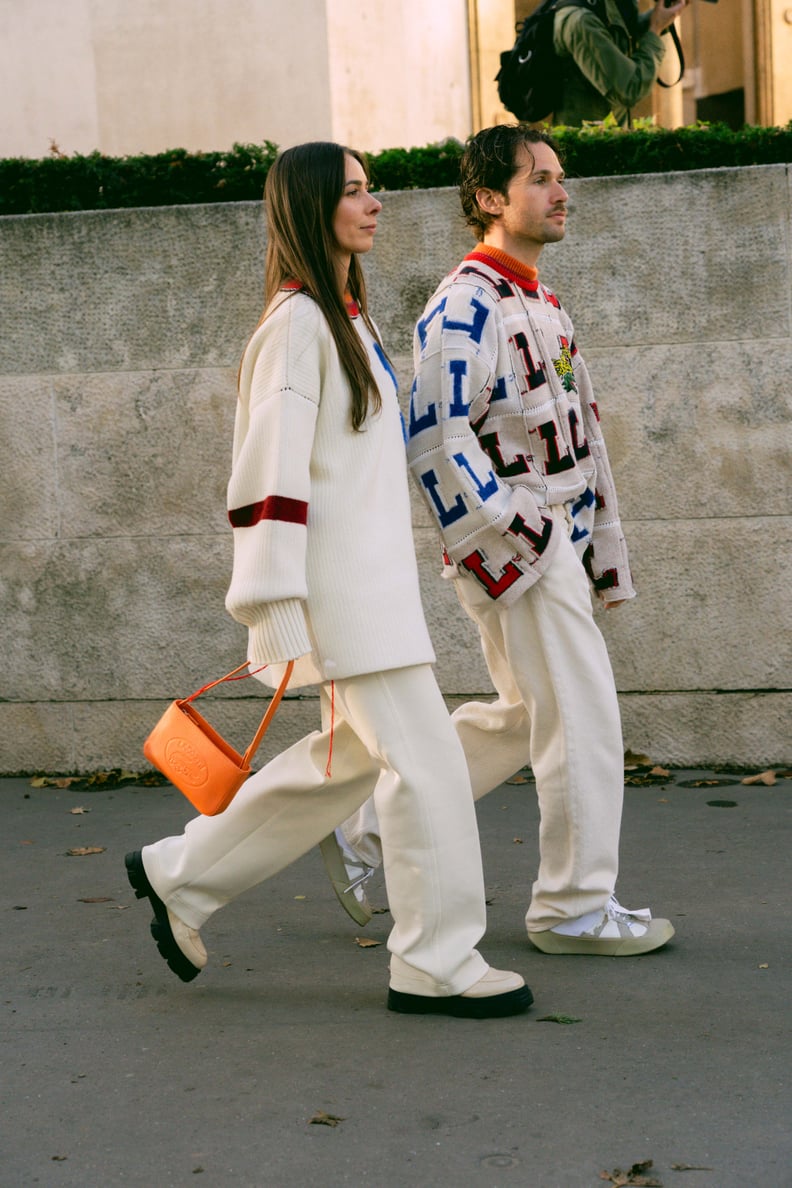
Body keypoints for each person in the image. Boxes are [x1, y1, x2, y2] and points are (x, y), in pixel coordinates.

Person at [125, 140, 532, 1019]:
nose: (373, 202)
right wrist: (269, 605)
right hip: (347, 604)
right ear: (313, 209)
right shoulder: (300, 326)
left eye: (370, 187)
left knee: (344, 766)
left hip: (370, 595)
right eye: (352, 192)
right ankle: (434, 959)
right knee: (424, 769)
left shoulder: (345, 318)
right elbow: (262, 477)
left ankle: (181, 875)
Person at [321, 124, 675, 959]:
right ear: (488, 198)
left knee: (526, 719)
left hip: (546, 543)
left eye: (561, 177)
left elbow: (583, 436)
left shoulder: (542, 301)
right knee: (581, 719)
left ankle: (366, 830)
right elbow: (433, 435)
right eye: (539, 179)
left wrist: (596, 548)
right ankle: (573, 908)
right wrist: (531, 537)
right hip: (520, 549)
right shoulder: (463, 303)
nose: (561, 192)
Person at [552, 0, 688, 127]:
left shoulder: (604, 6)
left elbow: (622, 35)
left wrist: (669, 8)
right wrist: (656, 28)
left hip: (607, 138)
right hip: (587, 144)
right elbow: (630, 87)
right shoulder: (580, 19)